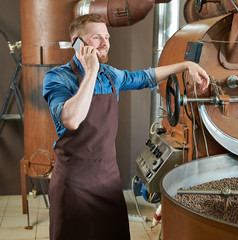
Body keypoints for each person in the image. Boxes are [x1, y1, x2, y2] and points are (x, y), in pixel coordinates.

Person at [42, 13, 209, 240]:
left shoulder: (110, 76)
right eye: (96, 38)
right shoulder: (58, 78)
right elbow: (71, 119)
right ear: (77, 43)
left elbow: (146, 76)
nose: (104, 43)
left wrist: (185, 65)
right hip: (73, 186)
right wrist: (90, 72)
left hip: (108, 182)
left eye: (107, 37)